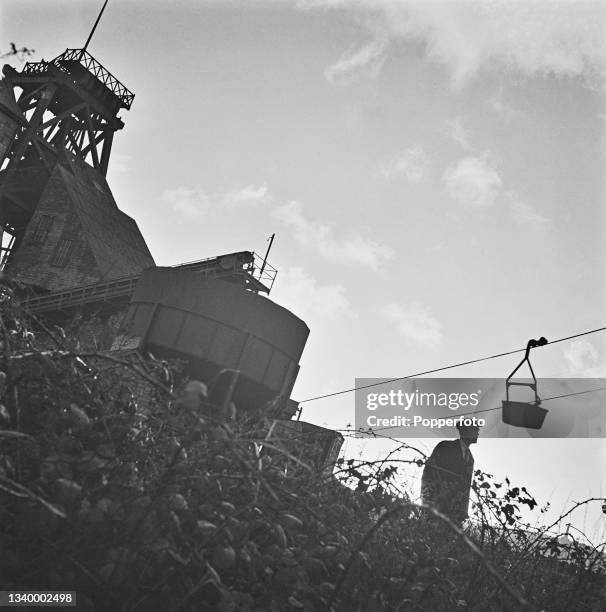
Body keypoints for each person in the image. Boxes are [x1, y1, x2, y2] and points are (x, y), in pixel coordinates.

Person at [421, 422, 480, 522]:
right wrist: (428, 503)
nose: (478, 433)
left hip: (455, 514)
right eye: (475, 430)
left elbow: (466, 487)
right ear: (466, 431)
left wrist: (463, 512)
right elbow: (428, 472)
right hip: (437, 509)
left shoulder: (470, 459)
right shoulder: (445, 446)